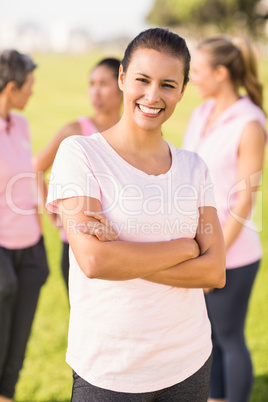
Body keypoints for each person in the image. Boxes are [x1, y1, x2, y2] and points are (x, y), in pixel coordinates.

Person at [47, 28, 226, 402]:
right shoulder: (80, 154)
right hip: (111, 369)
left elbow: (214, 272)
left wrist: (125, 257)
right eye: (142, 80)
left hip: (188, 361)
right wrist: (184, 246)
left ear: (182, 90)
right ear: (123, 79)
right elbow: (95, 261)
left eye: (167, 84)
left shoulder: (194, 167)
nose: (152, 95)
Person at [183, 35, 266, 402]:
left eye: (197, 71)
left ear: (220, 73)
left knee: (229, 338)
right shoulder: (203, 112)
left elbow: (245, 201)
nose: (192, 78)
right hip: (200, 248)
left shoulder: (249, 123)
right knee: (208, 339)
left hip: (234, 253)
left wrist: (214, 256)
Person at [34, 57, 122, 288]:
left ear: (122, 84)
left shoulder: (137, 134)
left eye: (103, 84)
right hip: (79, 248)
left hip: (125, 245)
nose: (95, 91)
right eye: (92, 84)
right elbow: (37, 167)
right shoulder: (75, 131)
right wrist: (54, 212)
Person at [0, 50, 49, 402]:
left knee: (18, 346)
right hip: (2, 253)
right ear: (12, 88)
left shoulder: (22, 124)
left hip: (30, 248)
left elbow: (28, 175)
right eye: (29, 86)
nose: (33, 93)